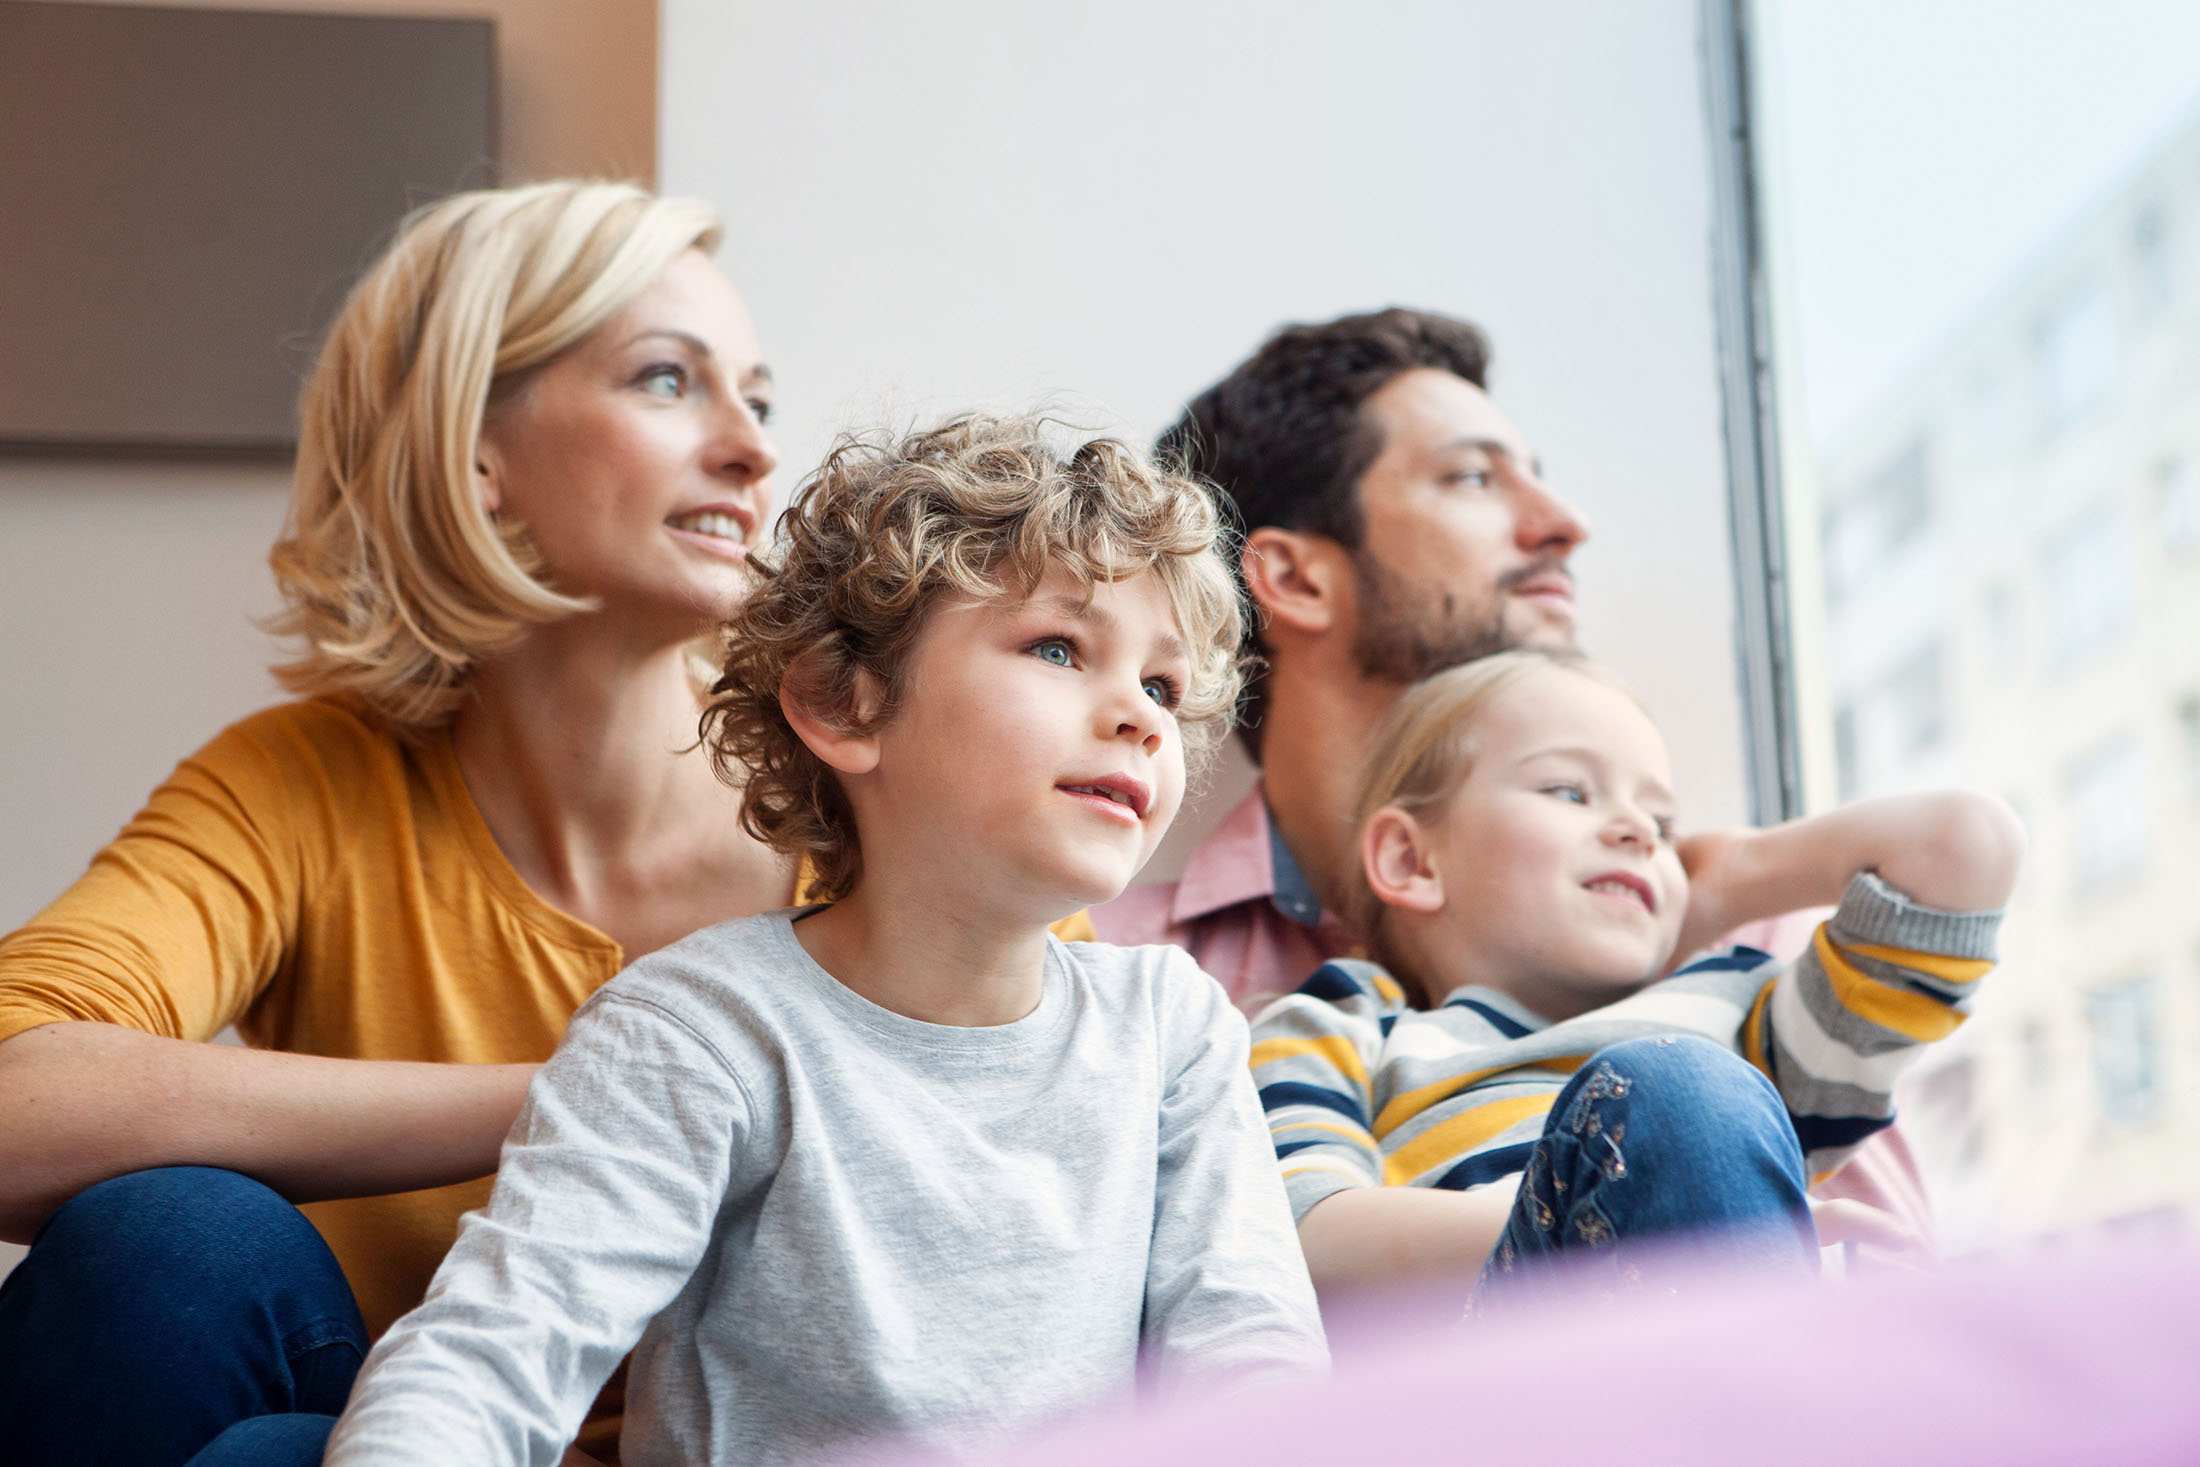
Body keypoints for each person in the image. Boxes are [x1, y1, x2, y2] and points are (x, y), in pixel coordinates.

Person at [0, 181, 1088, 1466]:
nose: (750, 451)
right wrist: (611, 1097)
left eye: (760, 397)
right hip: (403, 1434)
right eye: (667, 382)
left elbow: (1065, 1166)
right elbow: (23, 1098)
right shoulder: (303, 787)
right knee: (168, 1246)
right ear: (477, 455)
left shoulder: (903, 798)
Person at [320, 415, 1328, 1467]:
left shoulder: (1172, 1030)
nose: (1141, 716)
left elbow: (1255, 1372)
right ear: (842, 705)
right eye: (1058, 648)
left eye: (1164, 686)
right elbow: (491, 1359)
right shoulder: (700, 1031)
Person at [1088, 305, 1938, 1259]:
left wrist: (1738, 885)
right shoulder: (1101, 978)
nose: (1564, 524)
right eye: (1474, 476)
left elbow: (1885, 1307)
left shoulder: (1743, 953)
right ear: (1294, 577)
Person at [1251, 652, 2022, 1303]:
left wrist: (1729, 875)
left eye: (1663, 827)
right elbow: (1300, 1243)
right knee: (1676, 1089)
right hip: (1499, 1384)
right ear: (1412, 860)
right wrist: (1623, 1212)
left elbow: (1966, 845)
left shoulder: (1741, 1017)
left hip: (1737, 1377)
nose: (1634, 832)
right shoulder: (1339, 1025)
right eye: (1569, 792)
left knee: (1692, 1085)